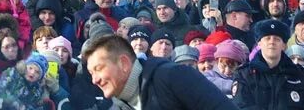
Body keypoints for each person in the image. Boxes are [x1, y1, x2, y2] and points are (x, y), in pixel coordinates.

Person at [83, 33, 232, 110]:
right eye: (91, 73)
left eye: (99, 69)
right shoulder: (118, 107)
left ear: (124, 63)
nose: (94, 80)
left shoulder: (174, 77)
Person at [233, 18, 304, 109]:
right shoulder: (244, 74)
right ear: (259, 44)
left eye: (277, 39)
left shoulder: (299, 74)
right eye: (267, 38)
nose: (272, 42)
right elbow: (241, 106)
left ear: (284, 46)